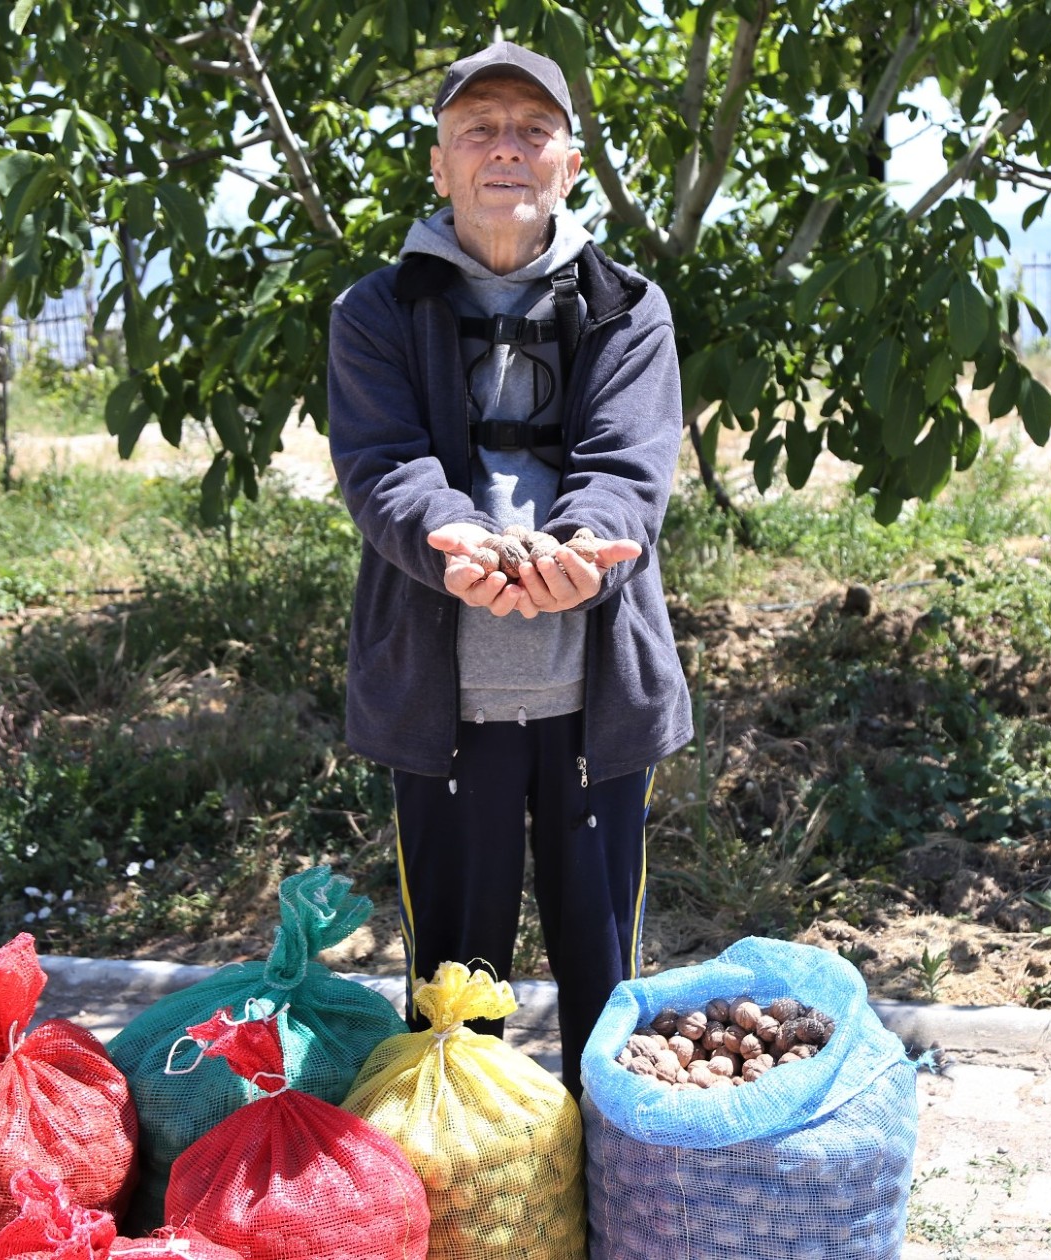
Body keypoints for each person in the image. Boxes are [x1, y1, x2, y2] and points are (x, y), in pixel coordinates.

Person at [326, 40, 691, 1095]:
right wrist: (452, 542)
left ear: (569, 165)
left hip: (594, 708)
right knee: (453, 993)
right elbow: (383, 469)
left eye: (533, 130)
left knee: (605, 997)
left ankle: (606, 1204)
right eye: (478, 128)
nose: (506, 150)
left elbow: (629, 467)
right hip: (446, 714)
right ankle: (467, 1203)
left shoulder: (631, 307)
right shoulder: (373, 314)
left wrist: (584, 551)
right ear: (437, 165)